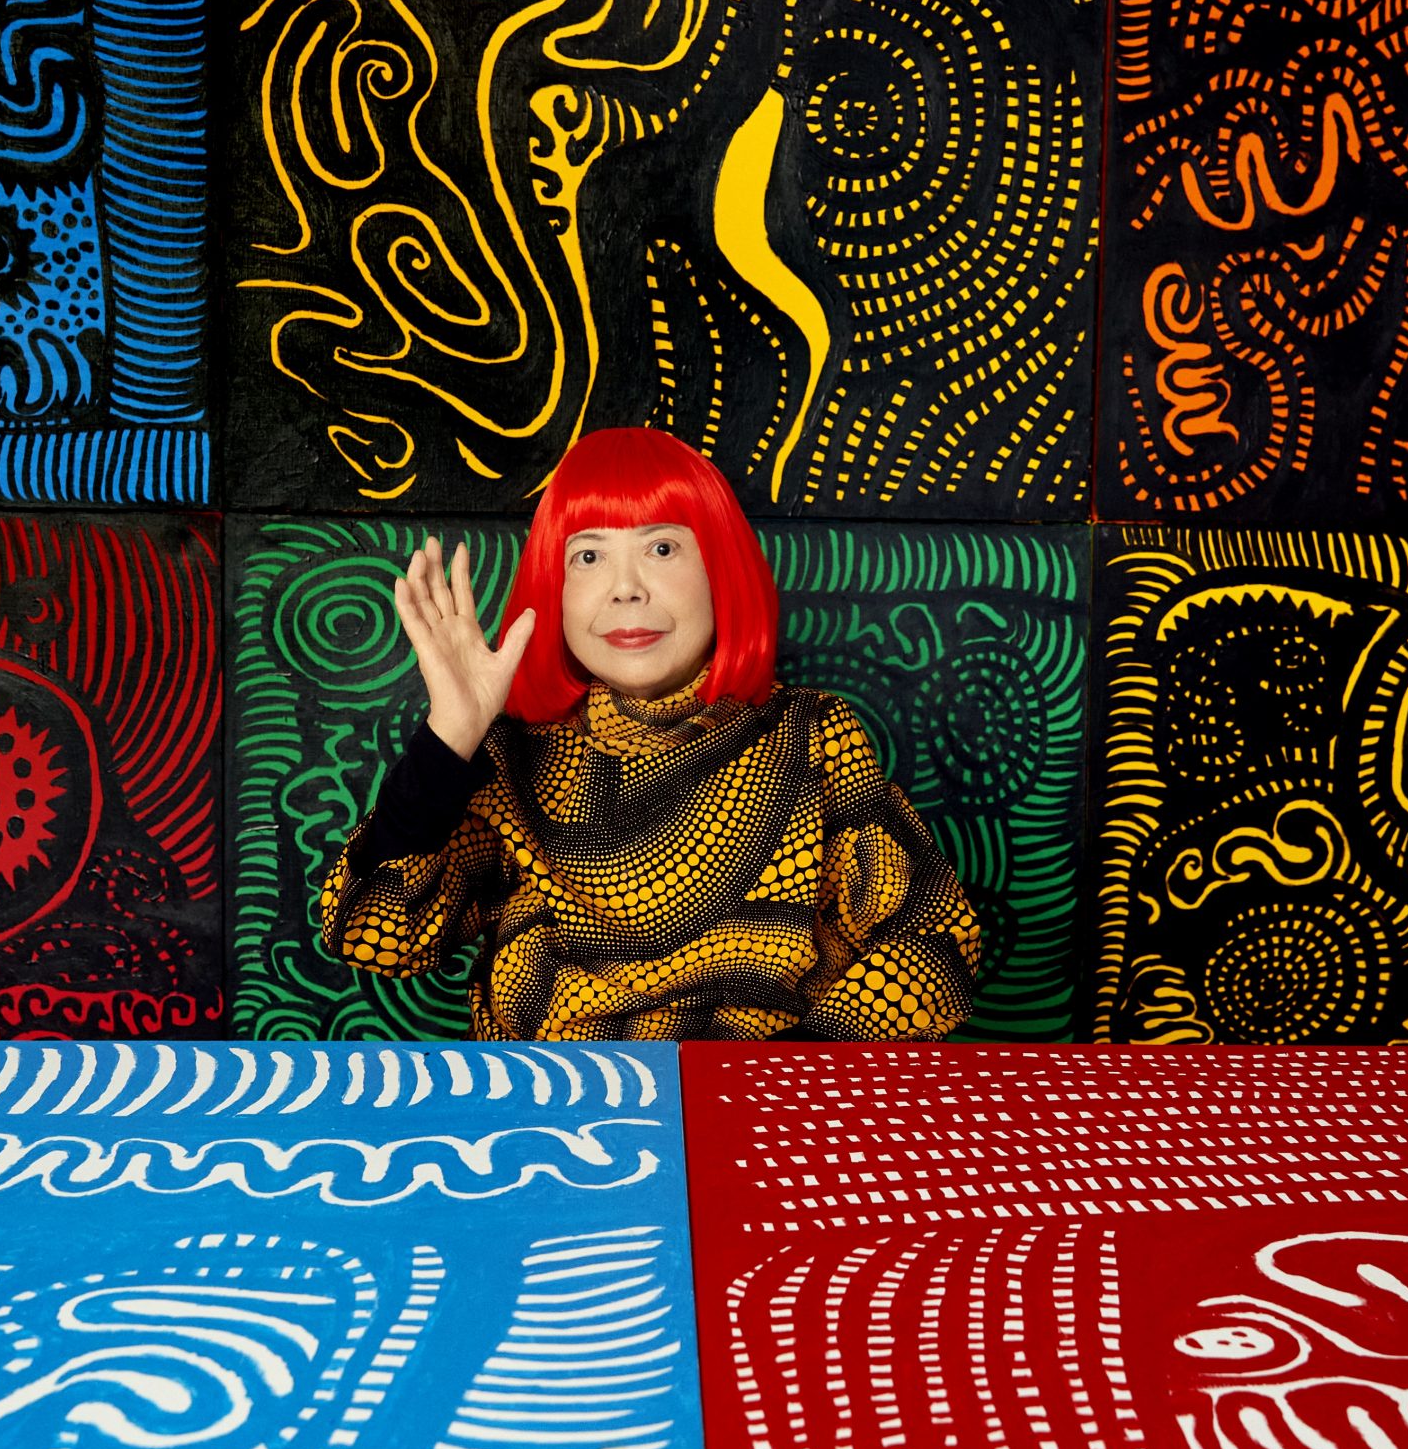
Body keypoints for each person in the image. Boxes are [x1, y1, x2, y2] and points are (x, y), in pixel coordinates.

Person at [319, 427, 981, 1041]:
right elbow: (376, 931)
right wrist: (448, 744)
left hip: (754, 1104)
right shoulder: (514, 754)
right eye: (588, 555)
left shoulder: (813, 736)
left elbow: (930, 944)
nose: (625, 588)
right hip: (549, 1104)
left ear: (720, 568)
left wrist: (779, 1086)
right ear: (554, 587)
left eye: (661, 547)